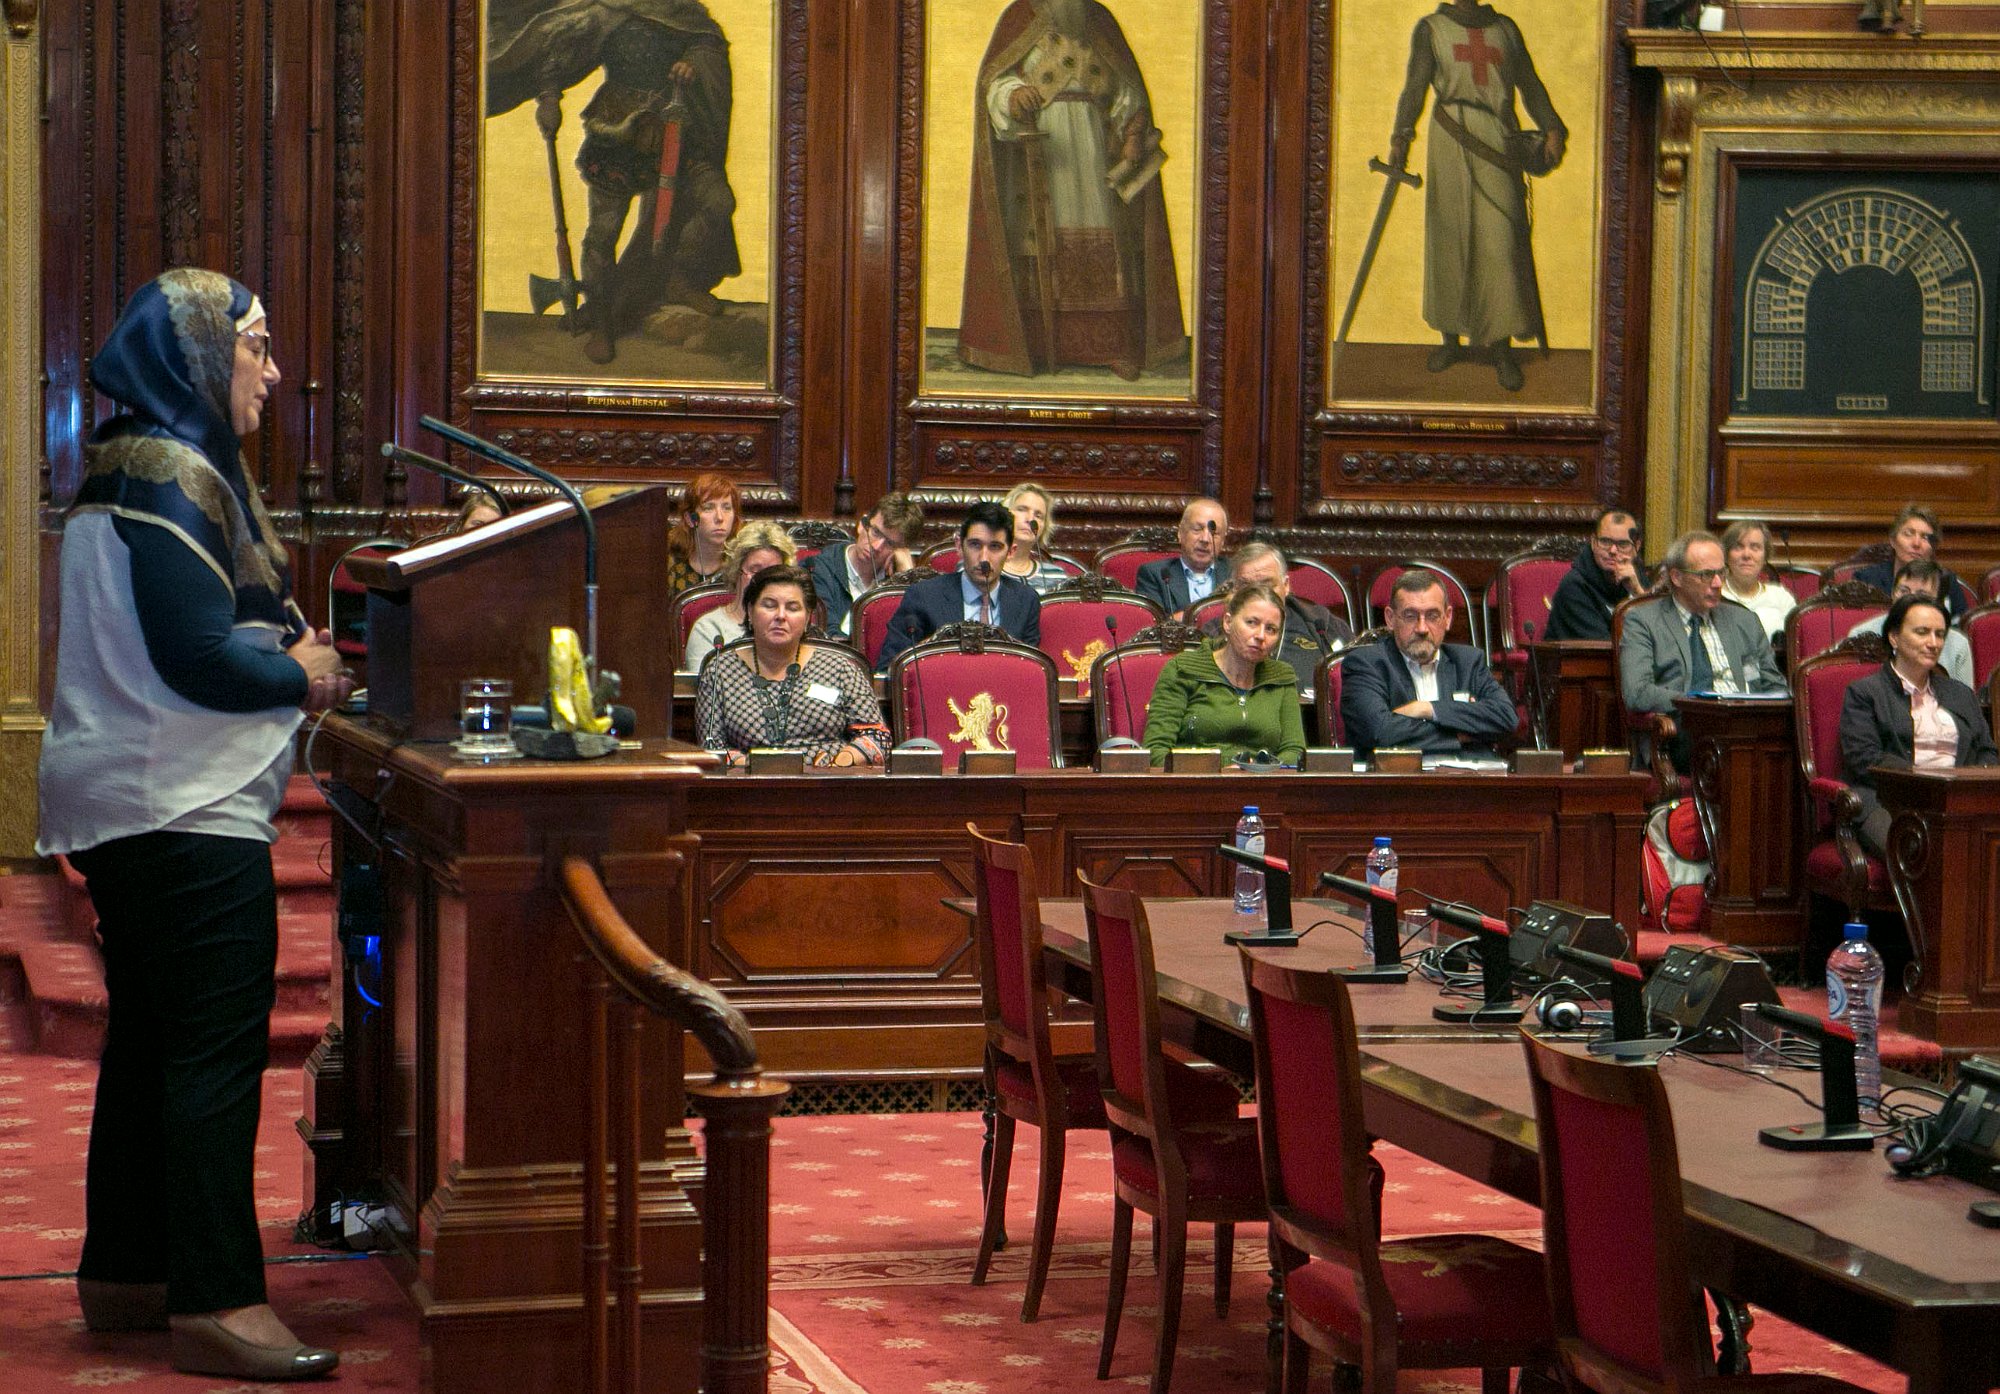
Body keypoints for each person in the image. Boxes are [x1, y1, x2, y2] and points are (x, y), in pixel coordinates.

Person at [35, 270, 345, 1381]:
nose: (272, 369)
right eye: (256, 346)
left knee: (151, 1045)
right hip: (180, 804)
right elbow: (198, 656)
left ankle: (127, 1272)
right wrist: (301, 676)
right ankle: (218, 1297)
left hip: (139, 798)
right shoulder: (172, 471)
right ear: (200, 359)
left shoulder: (132, 463)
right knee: (212, 1054)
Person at [486, 0, 740, 364]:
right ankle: (603, 325)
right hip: (617, 132)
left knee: (718, 202)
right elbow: (555, 51)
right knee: (602, 235)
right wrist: (548, 98)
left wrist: (693, 63)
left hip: (673, 130)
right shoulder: (599, 8)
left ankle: (678, 277)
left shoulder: (680, 6)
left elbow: (705, 40)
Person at [957, 0, 1184, 381]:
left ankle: (1113, 347)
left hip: (1096, 152)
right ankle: (1039, 347)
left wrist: (1132, 132)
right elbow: (994, 83)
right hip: (1039, 153)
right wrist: (1013, 95)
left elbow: (1128, 90)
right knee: (1039, 240)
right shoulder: (1020, 18)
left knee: (1106, 239)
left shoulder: (1099, 21)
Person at [1385, 0, 1566, 391]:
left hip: (1497, 140)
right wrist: (1401, 135)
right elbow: (1415, 89)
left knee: (1499, 244)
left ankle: (1500, 349)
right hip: (1449, 138)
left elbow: (1530, 84)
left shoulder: (1505, 29)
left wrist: (1551, 126)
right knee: (1450, 240)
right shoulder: (1431, 29)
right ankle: (1450, 340)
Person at [1840, 591, 1999, 857]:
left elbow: (1987, 752)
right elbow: (1864, 758)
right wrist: (1928, 784)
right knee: (1926, 856)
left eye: (1939, 634)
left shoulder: (1959, 693)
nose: (1933, 642)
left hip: (1958, 806)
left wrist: (1967, 789)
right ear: (1894, 637)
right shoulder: (1866, 693)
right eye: (1922, 632)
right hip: (1890, 802)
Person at [1618, 530, 1786, 770]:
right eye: (1706, 575)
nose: (1718, 584)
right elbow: (1637, 692)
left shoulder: (1744, 620)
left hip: (1745, 726)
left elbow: (1775, 687)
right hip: (1686, 728)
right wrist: (1698, 705)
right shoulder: (1644, 621)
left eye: (1721, 573)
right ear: (1676, 576)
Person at [695, 566, 889, 766]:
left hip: (828, 785)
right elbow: (711, 746)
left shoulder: (840, 668)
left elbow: (877, 737)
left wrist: (839, 764)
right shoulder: (720, 671)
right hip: (749, 786)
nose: (780, 616)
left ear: (807, 618)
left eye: (793, 608)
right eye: (769, 606)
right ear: (750, 612)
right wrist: (749, 767)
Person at [1341, 568, 1516, 760]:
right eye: (1410, 616)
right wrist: (1458, 734)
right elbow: (1381, 732)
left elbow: (1506, 718)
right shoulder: (1366, 663)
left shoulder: (1468, 661)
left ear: (1447, 618)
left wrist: (1428, 709)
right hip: (1399, 783)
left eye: (1432, 616)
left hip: (1467, 781)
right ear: (1390, 618)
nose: (1422, 628)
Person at [1141, 583, 1306, 767]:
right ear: (1228, 622)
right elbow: (1156, 751)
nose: (1261, 636)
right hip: (1195, 785)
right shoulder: (1184, 670)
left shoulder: (1281, 677)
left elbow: (1295, 751)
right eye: (1251, 622)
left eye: (1271, 629)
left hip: (1264, 785)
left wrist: (1257, 768)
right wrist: (1224, 767)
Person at [876, 502, 1041, 669]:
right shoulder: (923, 596)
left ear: (1011, 552)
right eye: (975, 545)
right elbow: (889, 668)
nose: (984, 558)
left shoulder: (1026, 601)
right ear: (959, 546)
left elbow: (1031, 671)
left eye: (995, 547)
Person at [1199, 543, 1354, 692]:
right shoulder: (1216, 631)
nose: (1259, 594)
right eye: (1247, 586)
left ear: (1286, 585)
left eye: (1267, 584)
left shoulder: (1323, 625)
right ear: (1235, 589)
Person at [681, 520, 796, 673]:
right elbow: (704, 690)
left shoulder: (792, 626)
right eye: (755, 570)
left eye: (774, 572)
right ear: (737, 572)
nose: (764, 580)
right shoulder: (710, 629)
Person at [806, 492, 924, 637]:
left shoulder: (896, 578)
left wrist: (907, 577)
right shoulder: (821, 568)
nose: (876, 546)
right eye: (876, 532)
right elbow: (827, 635)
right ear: (862, 525)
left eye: (890, 543)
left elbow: (915, 638)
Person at [1844, 559, 1974, 689]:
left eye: (1921, 595)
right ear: (1893, 593)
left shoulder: (1957, 645)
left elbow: (1964, 704)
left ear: (1939, 602)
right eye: (1904, 591)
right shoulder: (1861, 634)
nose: (1909, 600)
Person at [1545, 507, 1645, 641]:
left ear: (1636, 547)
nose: (1613, 550)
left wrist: (1637, 592)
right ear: (1593, 543)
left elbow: (1661, 636)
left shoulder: (1637, 579)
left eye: (1623, 544)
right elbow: (1602, 646)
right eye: (1605, 542)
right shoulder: (1574, 586)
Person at [1853, 505, 1969, 621]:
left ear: (1933, 547)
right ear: (1893, 541)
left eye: (1925, 537)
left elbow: (1959, 626)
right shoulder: (1867, 579)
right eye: (1908, 534)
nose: (1916, 543)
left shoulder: (1947, 581)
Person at [1134, 498, 1227, 618]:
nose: (1205, 539)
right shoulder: (1154, 574)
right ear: (1180, 533)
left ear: (1223, 540)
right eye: (1197, 529)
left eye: (1214, 533)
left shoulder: (1234, 573)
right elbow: (1153, 626)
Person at [1719, 518, 1796, 642]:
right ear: (1726, 555)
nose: (1746, 555)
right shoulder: (1714, 595)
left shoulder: (1781, 598)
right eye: (1738, 547)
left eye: (1755, 547)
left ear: (1765, 556)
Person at [665, 470, 740, 593]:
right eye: (708, 508)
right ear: (690, 519)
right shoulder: (667, 564)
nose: (720, 518)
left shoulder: (743, 565)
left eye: (727, 508)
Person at [1000, 482, 1072, 593]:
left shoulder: (1056, 576)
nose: (1030, 519)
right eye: (1022, 509)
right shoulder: (982, 570)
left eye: (1038, 516)